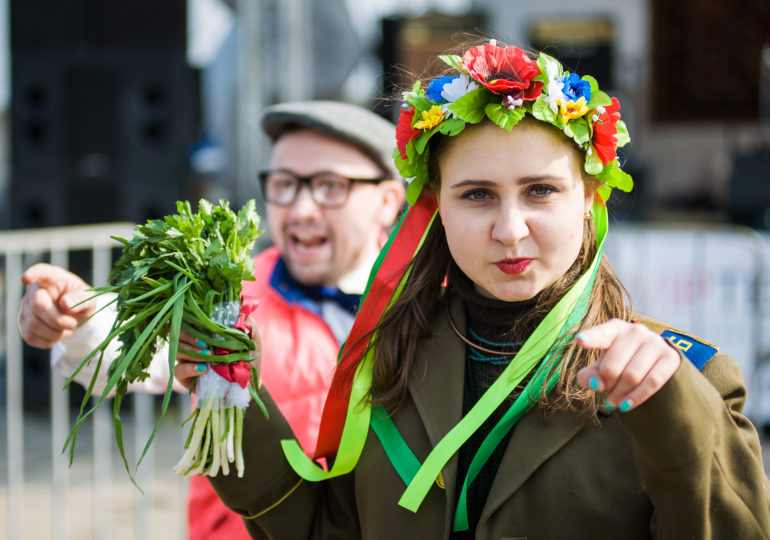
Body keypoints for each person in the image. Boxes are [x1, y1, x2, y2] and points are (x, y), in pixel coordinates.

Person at [193, 41, 770, 539]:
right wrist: (225, 393)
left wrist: (671, 409)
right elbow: (327, 530)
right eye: (477, 195)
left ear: (591, 199)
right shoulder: (391, 358)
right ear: (435, 207)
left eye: (541, 190)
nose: (510, 229)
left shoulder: (687, 377)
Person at [17, 101, 405, 539]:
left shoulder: (427, 302)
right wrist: (77, 314)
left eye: (330, 186)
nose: (300, 210)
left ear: (388, 200)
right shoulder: (227, 294)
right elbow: (138, 346)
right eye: (283, 184)